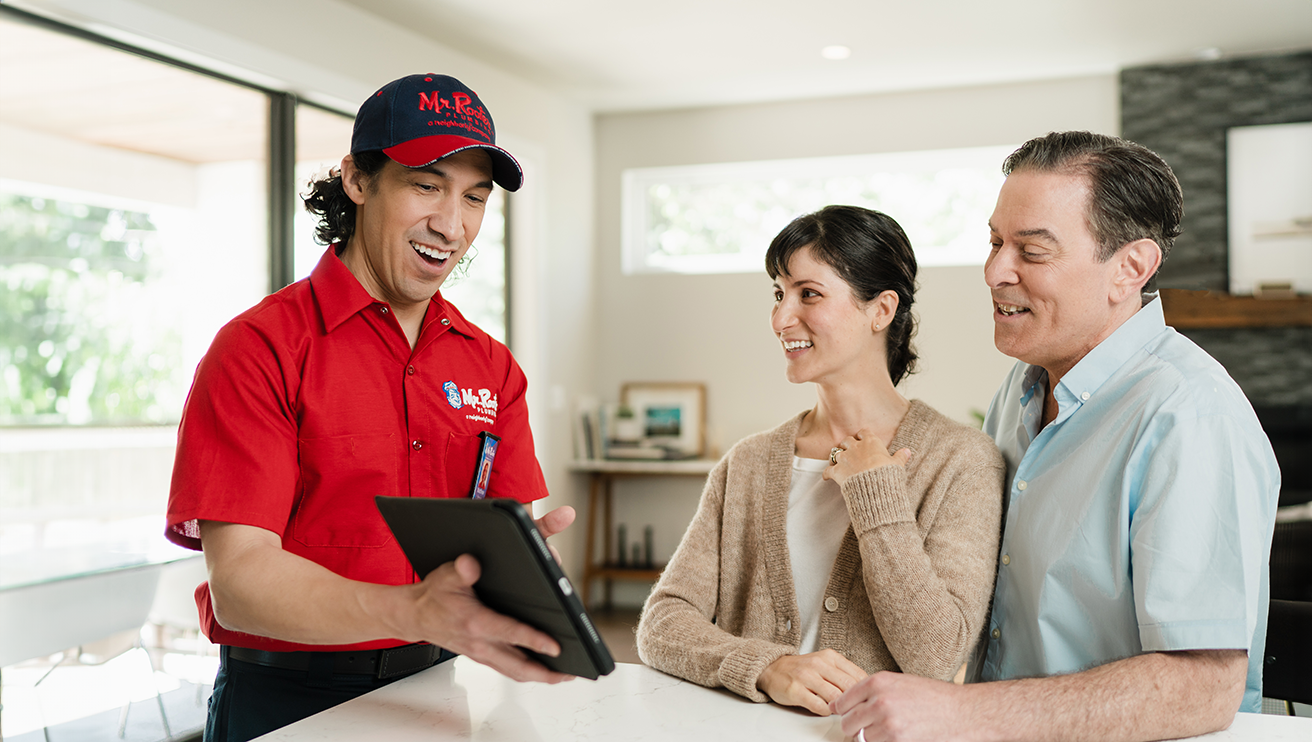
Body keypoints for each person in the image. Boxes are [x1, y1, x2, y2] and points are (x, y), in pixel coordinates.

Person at [165, 73, 576, 742]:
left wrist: (520, 587)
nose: (452, 224)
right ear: (358, 180)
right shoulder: (259, 348)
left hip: (442, 687)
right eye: (427, 186)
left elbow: (496, 556)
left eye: (474, 197)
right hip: (287, 699)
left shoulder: (493, 369)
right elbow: (240, 580)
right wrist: (413, 610)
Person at [831, 132, 1280, 742]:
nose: (995, 271)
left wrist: (962, 713)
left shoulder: (1189, 415)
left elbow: (1202, 688)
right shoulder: (1020, 390)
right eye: (994, 242)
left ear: (1131, 267)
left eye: (1032, 252)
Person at [636, 205, 1006, 717]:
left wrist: (876, 495)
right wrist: (767, 665)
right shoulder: (747, 463)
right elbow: (663, 622)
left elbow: (936, 657)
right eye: (778, 294)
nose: (782, 318)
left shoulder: (961, 461)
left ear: (880, 310)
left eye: (808, 293)